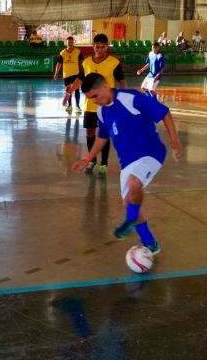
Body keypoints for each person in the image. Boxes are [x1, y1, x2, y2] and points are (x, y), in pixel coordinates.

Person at [72, 73, 182, 255]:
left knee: (133, 184)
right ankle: (150, 243)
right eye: (90, 99)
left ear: (106, 86)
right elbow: (102, 137)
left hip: (151, 153)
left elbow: (164, 112)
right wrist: (88, 157)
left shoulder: (131, 98)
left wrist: (174, 138)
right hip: (127, 162)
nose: (94, 101)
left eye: (95, 96)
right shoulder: (101, 112)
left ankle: (130, 221)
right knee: (130, 201)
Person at [65, 33, 125, 177]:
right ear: (93, 47)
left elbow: (121, 82)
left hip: (107, 106)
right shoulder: (86, 62)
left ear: (107, 47)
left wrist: (121, 99)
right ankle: (92, 160)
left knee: (105, 134)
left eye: (103, 47)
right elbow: (80, 80)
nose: (99, 49)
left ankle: (103, 164)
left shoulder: (114, 63)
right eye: (97, 46)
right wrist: (70, 92)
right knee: (90, 132)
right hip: (90, 105)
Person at [54, 36, 83, 114]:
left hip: (76, 74)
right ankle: (69, 106)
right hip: (66, 75)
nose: (70, 43)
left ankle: (77, 106)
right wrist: (56, 73)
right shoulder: (62, 53)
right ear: (66, 43)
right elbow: (59, 64)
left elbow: (81, 63)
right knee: (68, 90)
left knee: (76, 90)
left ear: (73, 42)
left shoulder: (78, 51)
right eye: (68, 42)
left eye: (71, 42)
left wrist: (82, 72)